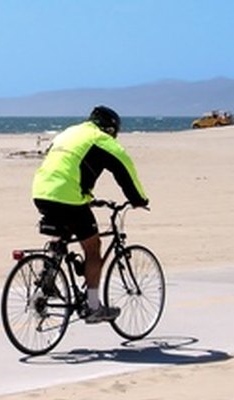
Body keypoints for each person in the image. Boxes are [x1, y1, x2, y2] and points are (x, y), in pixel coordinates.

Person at [31, 105, 149, 324]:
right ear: (111, 129)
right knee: (93, 248)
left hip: (40, 191)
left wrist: (85, 196)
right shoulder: (102, 139)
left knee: (62, 231)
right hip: (68, 196)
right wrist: (138, 200)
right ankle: (94, 307)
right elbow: (125, 170)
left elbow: (65, 167)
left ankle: (48, 274)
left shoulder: (69, 132)